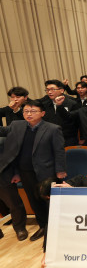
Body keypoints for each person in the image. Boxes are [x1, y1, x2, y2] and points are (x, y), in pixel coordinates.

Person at [0, 100, 66, 242]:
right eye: (26, 111)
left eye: (33, 111)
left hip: (46, 171)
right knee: (34, 201)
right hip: (25, 172)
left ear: (42, 113)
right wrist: (17, 173)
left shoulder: (53, 129)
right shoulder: (17, 125)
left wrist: (60, 171)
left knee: (49, 201)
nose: (29, 114)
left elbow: (59, 151)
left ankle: (57, 227)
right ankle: (43, 227)